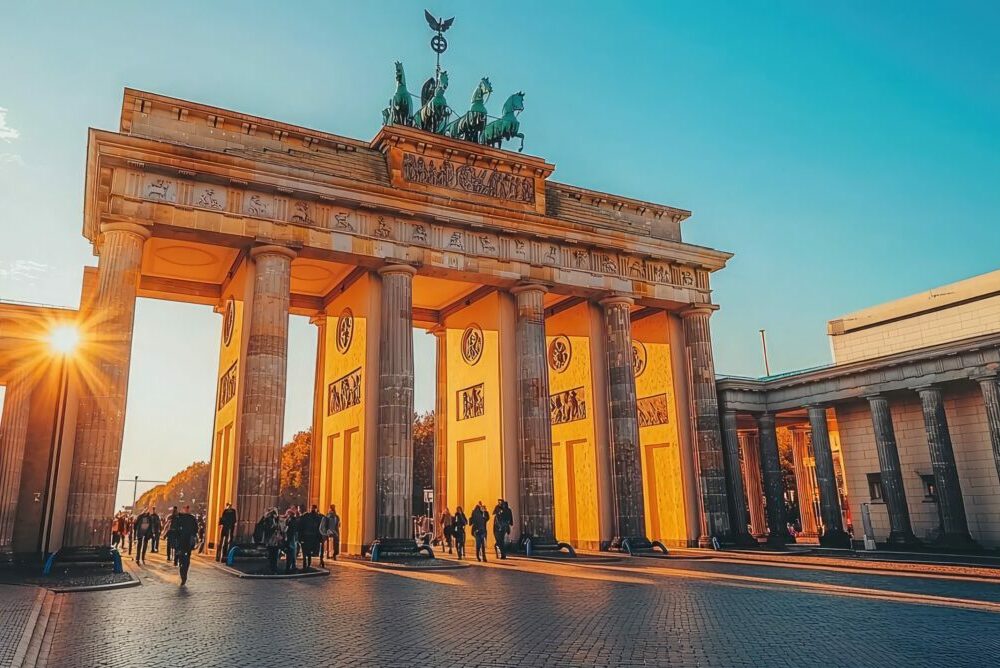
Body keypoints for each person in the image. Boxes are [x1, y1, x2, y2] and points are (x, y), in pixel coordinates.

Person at [170, 504, 199, 585]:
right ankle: (183, 575)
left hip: (188, 543)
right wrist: (173, 542)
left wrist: (194, 537)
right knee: (181, 560)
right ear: (182, 509)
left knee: (186, 560)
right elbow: (173, 530)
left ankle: (184, 575)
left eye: (187, 508)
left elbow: (195, 529)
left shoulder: (191, 518)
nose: (186, 509)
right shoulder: (178, 518)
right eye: (185, 508)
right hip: (179, 543)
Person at [298, 505, 323, 570]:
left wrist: (300, 537)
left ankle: (306, 564)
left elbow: (300, 526)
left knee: (306, 551)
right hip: (310, 537)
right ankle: (307, 564)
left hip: (308, 537)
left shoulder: (306, 516)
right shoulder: (317, 517)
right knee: (308, 551)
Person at [260, 509, 283, 574]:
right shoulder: (269, 520)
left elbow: (279, 529)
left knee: (275, 555)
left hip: (276, 541)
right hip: (271, 541)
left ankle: (274, 569)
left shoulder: (277, 520)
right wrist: (273, 528)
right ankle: (272, 569)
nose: (276, 515)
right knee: (272, 555)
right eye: (275, 514)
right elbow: (267, 529)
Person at [282, 507, 299, 573]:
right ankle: (292, 566)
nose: (286, 515)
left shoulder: (291, 521)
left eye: (287, 513)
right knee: (292, 553)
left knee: (290, 553)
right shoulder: (293, 520)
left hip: (291, 538)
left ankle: (289, 568)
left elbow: (289, 530)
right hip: (292, 538)